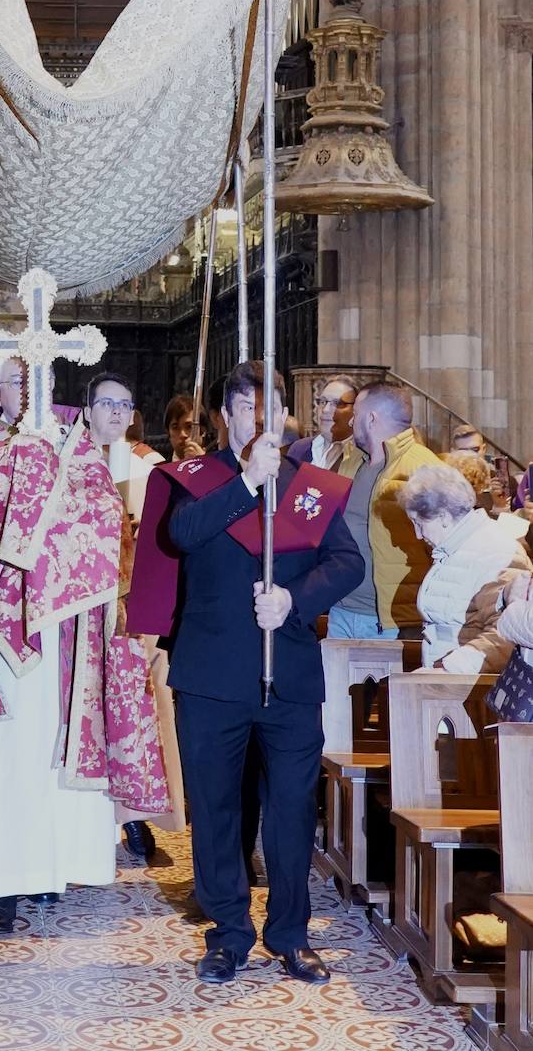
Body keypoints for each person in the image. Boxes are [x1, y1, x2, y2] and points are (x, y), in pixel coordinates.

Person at [0, 363, 166, 938]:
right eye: (8, 378)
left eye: (31, 377)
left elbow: (103, 527)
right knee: (2, 762)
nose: (21, 389)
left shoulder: (77, 449)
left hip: (62, 637)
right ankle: (1, 885)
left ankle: (52, 867)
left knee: (52, 755)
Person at [154, 360, 363, 985]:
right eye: (244, 406)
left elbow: (346, 563)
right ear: (226, 417)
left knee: (294, 808)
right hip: (211, 674)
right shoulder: (197, 478)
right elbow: (180, 536)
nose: (258, 417)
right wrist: (246, 480)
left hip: (290, 672)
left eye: (269, 405)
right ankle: (228, 933)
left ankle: (290, 934)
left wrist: (294, 601)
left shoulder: (314, 486)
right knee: (216, 809)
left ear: (283, 414)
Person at [86, 370, 184, 861]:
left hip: (131, 607)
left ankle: (137, 817)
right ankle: (89, 820)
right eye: (107, 404)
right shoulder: (71, 464)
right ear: (87, 411)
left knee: (137, 714)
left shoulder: (150, 471)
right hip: (82, 608)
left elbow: (167, 539)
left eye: (125, 405)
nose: (117, 414)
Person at [328, 381, 442, 639]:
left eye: (355, 413)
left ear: (370, 418)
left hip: (393, 620)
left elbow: (446, 549)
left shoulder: (424, 469)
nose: (350, 421)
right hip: (341, 609)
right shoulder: (349, 461)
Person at [398, 464, 531, 672]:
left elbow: (506, 632)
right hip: (445, 681)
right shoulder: (455, 547)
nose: (417, 534)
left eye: (418, 522)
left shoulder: (495, 550)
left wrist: (453, 667)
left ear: (443, 516)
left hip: (467, 687)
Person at [288, 374, 360, 473]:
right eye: (323, 401)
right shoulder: (299, 448)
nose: (325, 410)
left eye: (337, 403)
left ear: (356, 411)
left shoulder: (362, 455)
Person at [165, 394, 205, 461]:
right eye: (175, 427)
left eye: (189, 427)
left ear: (203, 430)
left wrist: (203, 462)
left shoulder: (218, 465)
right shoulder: (160, 470)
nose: (182, 434)